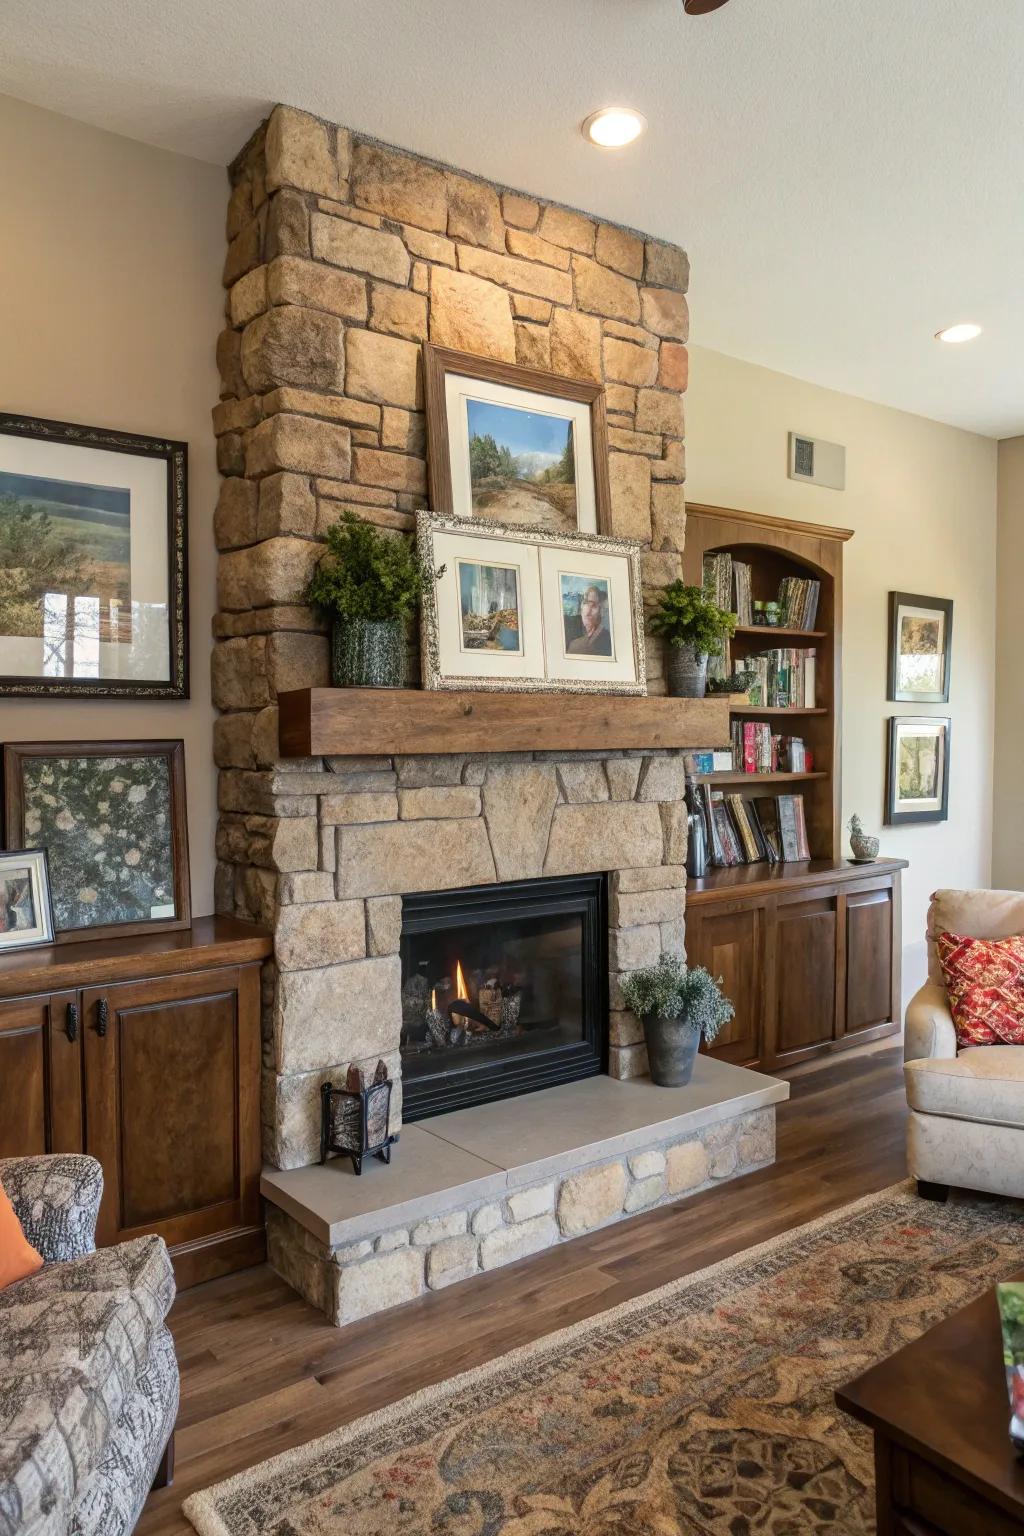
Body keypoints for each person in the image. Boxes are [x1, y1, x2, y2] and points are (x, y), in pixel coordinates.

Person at [566, 585, 612, 656]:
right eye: (585, 603)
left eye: (593, 605)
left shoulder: (608, 640)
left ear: (601, 611)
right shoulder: (574, 644)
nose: (588, 610)